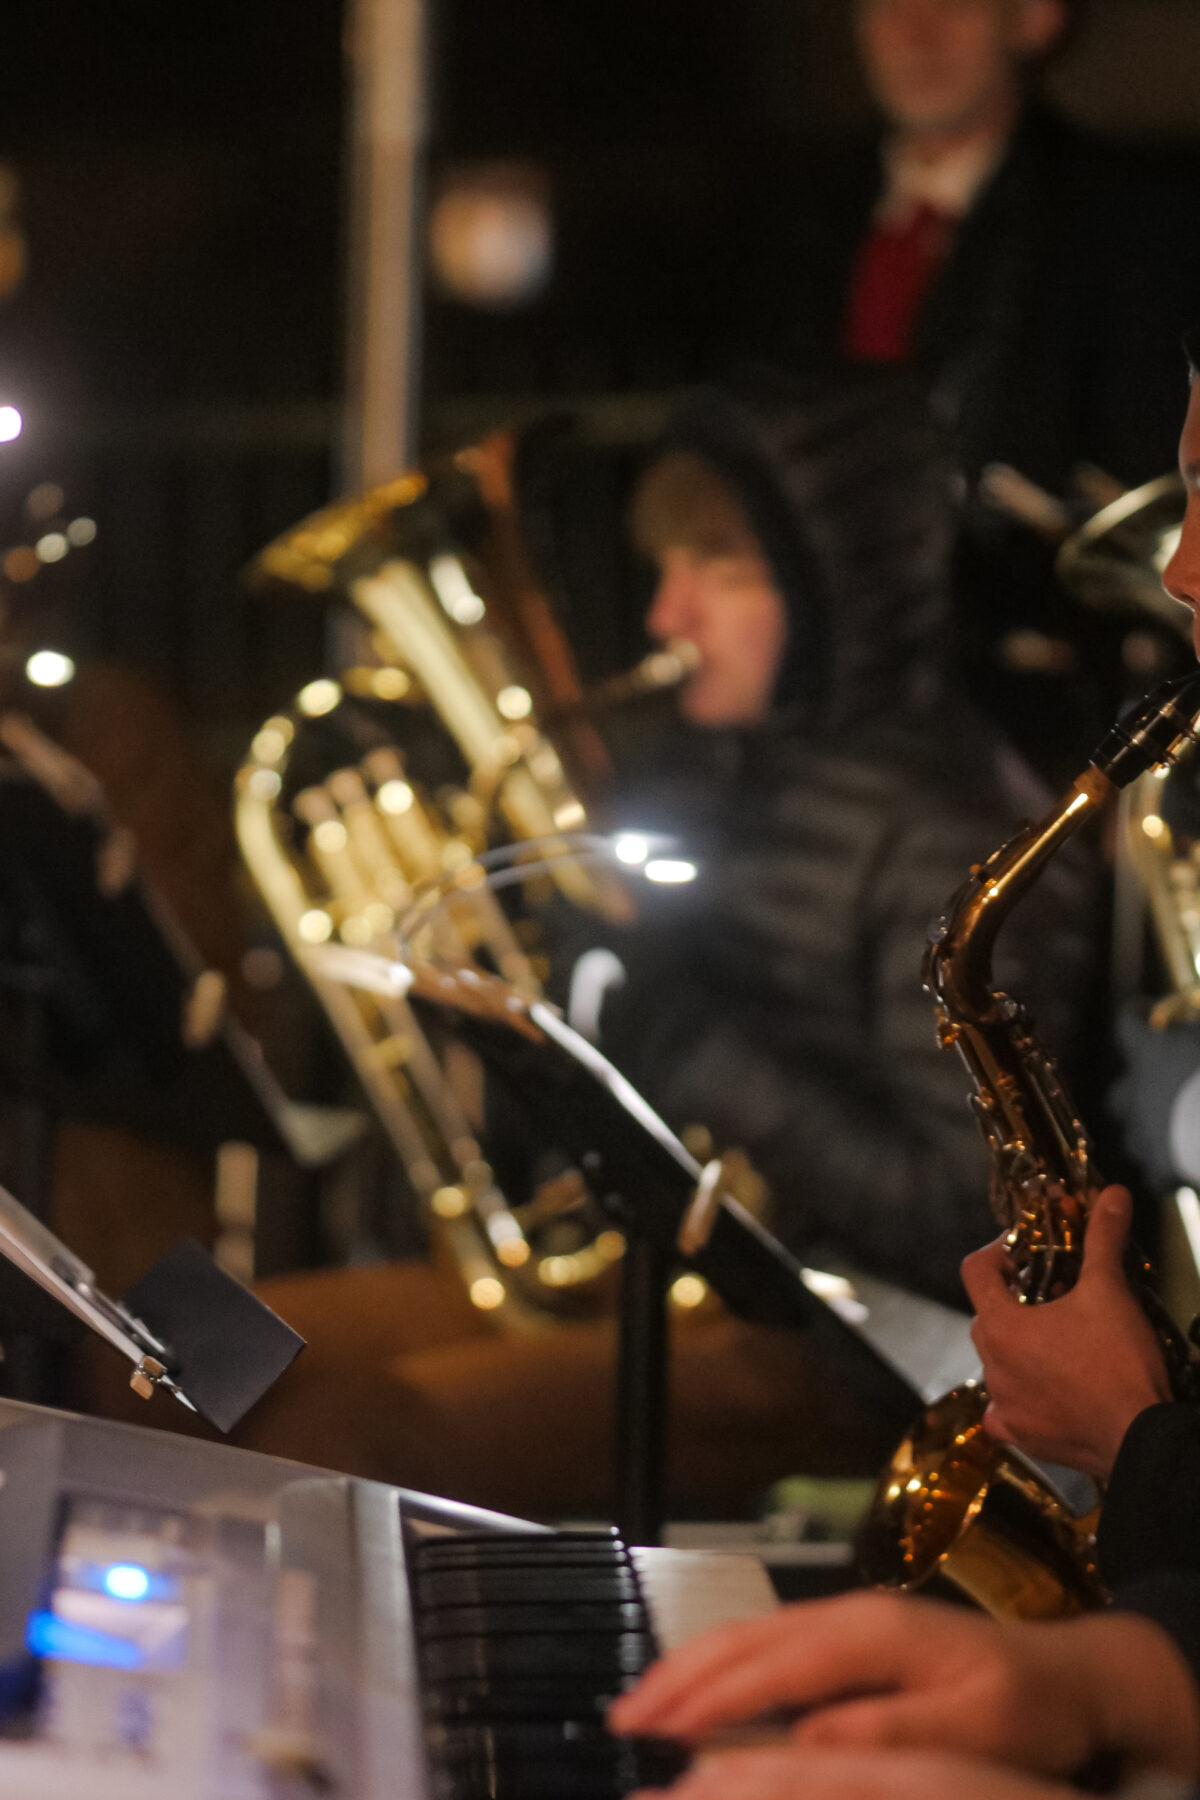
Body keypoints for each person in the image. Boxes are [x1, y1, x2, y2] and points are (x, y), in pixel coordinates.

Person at [97, 371, 1092, 1521]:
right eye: (665, 569)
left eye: (716, 570)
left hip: (838, 1343)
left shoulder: (968, 834)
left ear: (841, 588)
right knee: (161, 1342)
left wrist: (683, 1041)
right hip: (652, 1276)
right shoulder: (719, 770)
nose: (667, 618)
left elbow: (959, 1217)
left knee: (306, 1424)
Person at [729, 0, 1200, 774]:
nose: (916, 32)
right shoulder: (795, 212)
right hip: (818, 707)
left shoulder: (1132, 220)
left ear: (1036, 19)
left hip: (1024, 723)